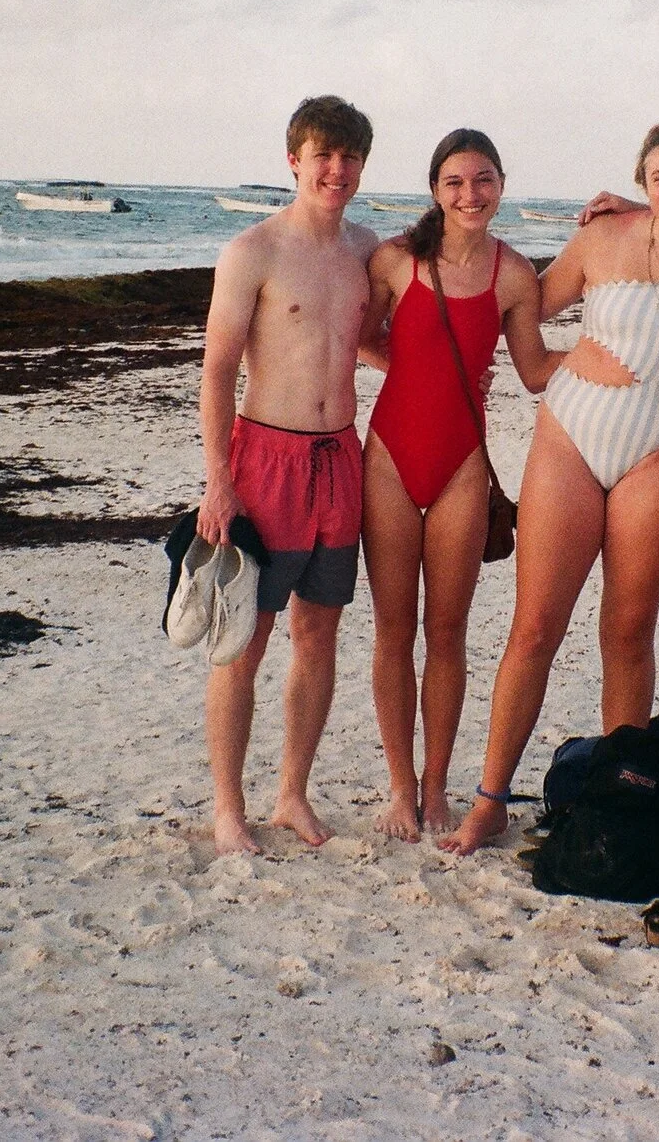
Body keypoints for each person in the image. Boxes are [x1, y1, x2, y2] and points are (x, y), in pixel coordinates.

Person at [438, 121, 659, 857]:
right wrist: (558, 363)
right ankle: (490, 801)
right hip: (569, 439)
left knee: (626, 633)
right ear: (642, 182)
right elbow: (521, 307)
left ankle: (616, 801)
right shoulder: (602, 240)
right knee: (535, 627)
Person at [195, 95, 380, 857]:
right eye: (322, 156)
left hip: (342, 458)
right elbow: (216, 370)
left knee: (320, 633)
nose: (336, 170)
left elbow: (372, 339)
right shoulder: (253, 252)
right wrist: (217, 478)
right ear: (294, 161)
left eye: (349, 157)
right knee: (244, 637)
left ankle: (292, 793)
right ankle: (228, 807)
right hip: (263, 458)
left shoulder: (369, 250)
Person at [360, 130, 556, 840]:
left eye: (482, 181)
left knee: (447, 633)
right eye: (454, 182)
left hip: (463, 469)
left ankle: (436, 788)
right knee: (391, 631)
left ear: (501, 184)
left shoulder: (514, 275)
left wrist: (610, 354)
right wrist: (412, 373)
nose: (469, 195)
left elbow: (534, 370)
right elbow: (355, 335)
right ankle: (396, 788)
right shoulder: (395, 261)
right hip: (387, 458)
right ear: (435, 190)